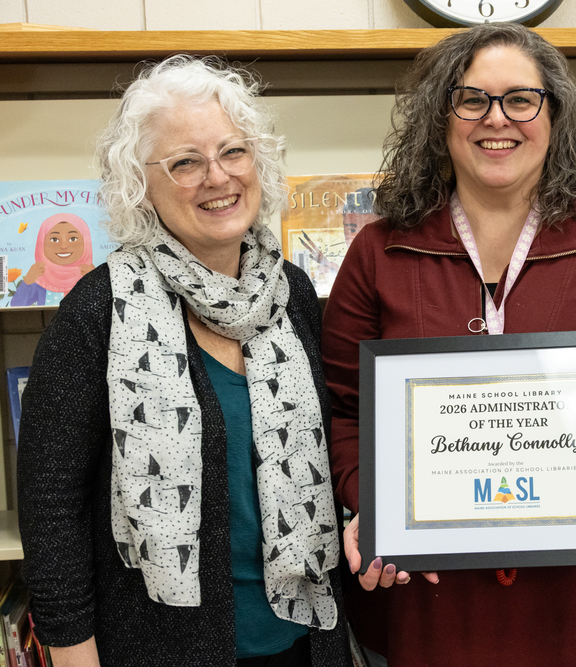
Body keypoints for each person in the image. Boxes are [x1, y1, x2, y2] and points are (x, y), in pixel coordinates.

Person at [322, 21, 576, 667]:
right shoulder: (379, 247)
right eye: (472, 99)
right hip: (430, 608)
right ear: (441, 116)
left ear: (554, 114)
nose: (496, 119)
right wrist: (377, 503)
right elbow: (345, 411)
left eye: (521, 99)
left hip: (575, 604)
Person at [17, 55, 350, 667]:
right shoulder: (99, 310)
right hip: (159, 647)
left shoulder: (293, 293)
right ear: (139, 186)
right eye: (185, 163)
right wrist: (72, 654)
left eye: (232, 151)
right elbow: (51, 506)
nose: (217, 177)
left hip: (303, 639)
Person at [11, 212, 95, 306]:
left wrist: (97, 282)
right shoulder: (41, 277)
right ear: (42, 243)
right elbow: (16, 305)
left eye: (73, 239)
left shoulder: (90, 274)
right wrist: (27, 282)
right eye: (54, 239)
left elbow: (106, 308)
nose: (63, 246)